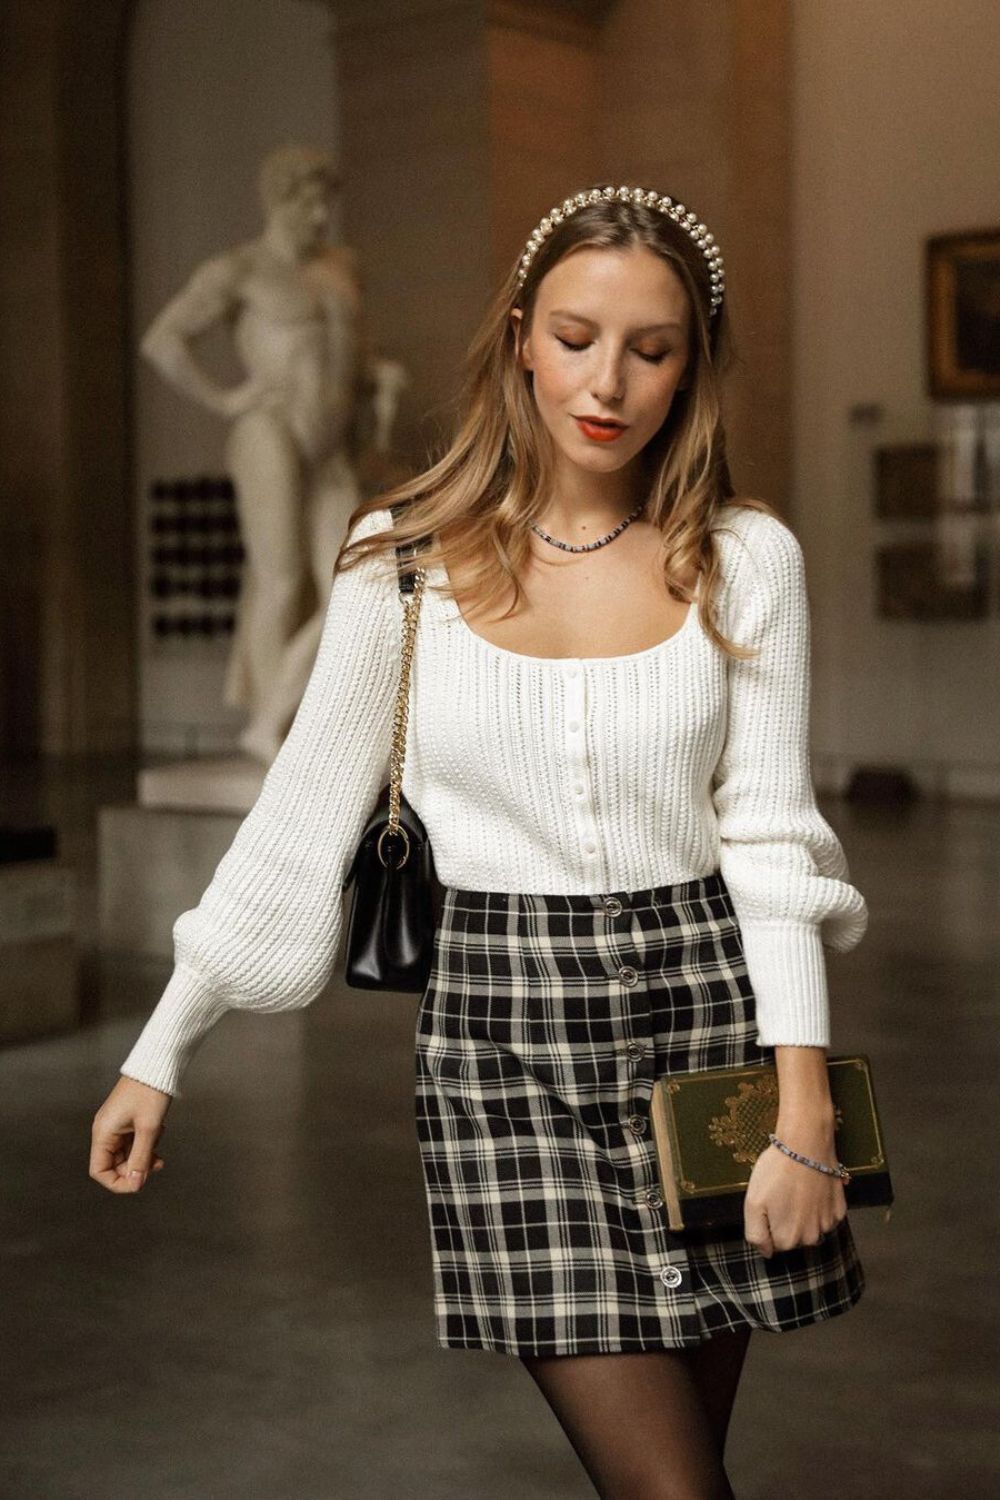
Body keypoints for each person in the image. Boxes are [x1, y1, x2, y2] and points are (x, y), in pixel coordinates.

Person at [92, 183, 870, 1499]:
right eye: (574, 337)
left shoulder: (749, 562)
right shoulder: (399, 561)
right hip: (504, 1042)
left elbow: (774, 850)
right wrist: (161, 1046)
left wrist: (802, 1117)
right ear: (518, 335)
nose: (607, 381)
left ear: (694, 365)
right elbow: (298, 816)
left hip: (713, 1026)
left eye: (652, 347)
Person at [140, 141, 407, 764]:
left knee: (356, 580)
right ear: (279, 201)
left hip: (332, 444)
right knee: (282, 580)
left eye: (325, 202)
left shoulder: (341, 266)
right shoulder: (240, 270)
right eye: (309, 202)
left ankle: (279, 714)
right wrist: (225, 398)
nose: (321, 216)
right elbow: (164, 339)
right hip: (271, 431)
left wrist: (378, 375)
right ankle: (272, 729)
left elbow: (353, 352)